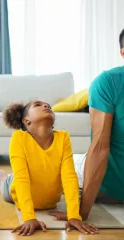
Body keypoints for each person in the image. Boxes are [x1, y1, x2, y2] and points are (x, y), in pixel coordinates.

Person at [0, 100, 98, 236]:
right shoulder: (19, 138)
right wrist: (29, 217)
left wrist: (74, 215)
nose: (46, 106)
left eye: (48, 106)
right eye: (37, 105)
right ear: (26, 120)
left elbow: (69, 177)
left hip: (48, 199)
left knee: (9, 177)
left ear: (53, 122)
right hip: (17, 186)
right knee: (4, 181)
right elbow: (21, 179)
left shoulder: (63, 138)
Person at [48, 29, 124, 222]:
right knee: (33, 177)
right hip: (104, 181)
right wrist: (81, 212)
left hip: (111, 186)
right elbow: (99, 149)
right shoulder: (109, 82)